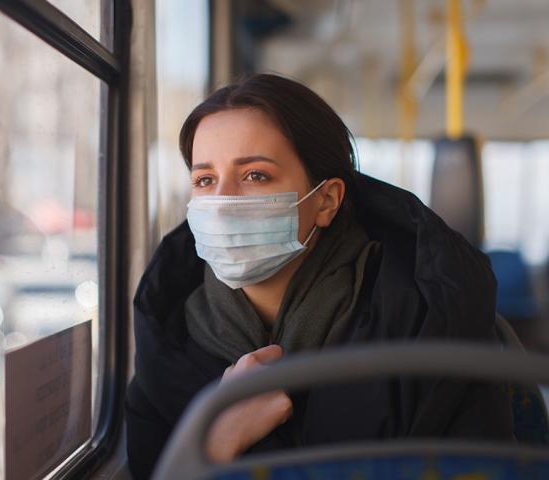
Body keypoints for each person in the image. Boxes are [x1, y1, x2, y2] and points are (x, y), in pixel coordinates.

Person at [125, 73, 513, 479]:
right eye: (205, 180)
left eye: (255, 175)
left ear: (326, 201)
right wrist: (215, 440)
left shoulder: (430, 323)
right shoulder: (165, 341)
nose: (222, 202)